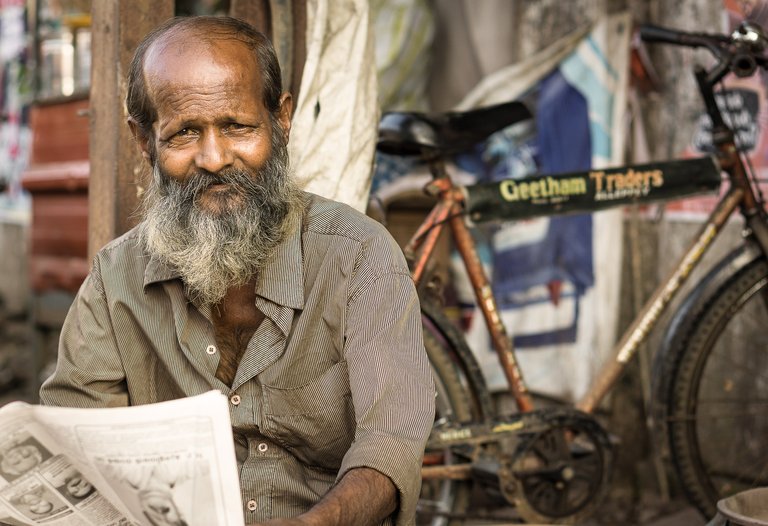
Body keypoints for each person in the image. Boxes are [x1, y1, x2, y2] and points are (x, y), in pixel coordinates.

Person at [39, 15, 435, 526]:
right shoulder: (116, 280)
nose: (214, 157)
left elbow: (391, 442)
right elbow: (75, 437)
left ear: (282, 119)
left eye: (237, 127)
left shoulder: (358, 255)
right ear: (144, 141)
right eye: (184, 134)